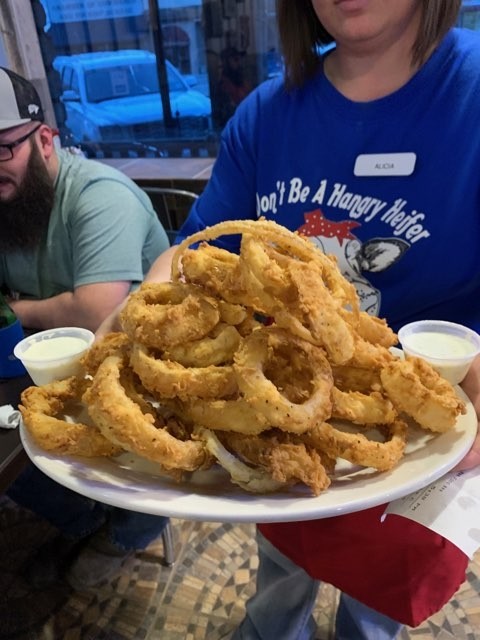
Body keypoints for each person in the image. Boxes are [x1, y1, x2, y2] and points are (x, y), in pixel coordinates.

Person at [98, 0, 480, 637]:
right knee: (280, 568)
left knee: (376, 602)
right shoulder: (267, 113)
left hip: (424, 427)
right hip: (280, 414)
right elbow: (197, 254)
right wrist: (136, 312)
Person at [0, 66, 171, 590]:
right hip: (48, 365)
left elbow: (96, 309)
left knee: (139, 437)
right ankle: (82, 517)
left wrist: (20, 308)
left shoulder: (99, 195)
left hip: (140, 367)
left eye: (3, 149)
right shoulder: (12, 198)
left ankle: (131, 530)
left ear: (46, 139)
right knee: (23, 447)